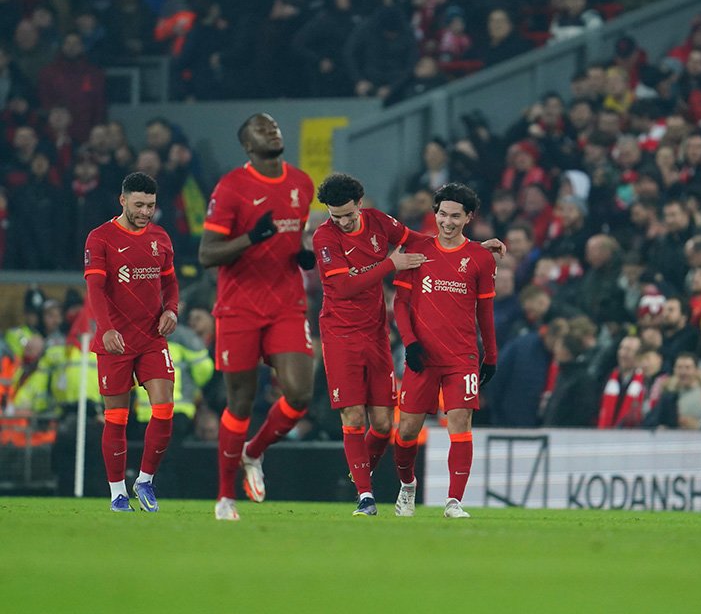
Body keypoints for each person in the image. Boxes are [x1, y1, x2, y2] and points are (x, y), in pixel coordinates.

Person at [199, 113, 316, 522]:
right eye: (260, 128)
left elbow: (294, 236)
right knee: (241, 401)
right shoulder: (232, 187)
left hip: (286, 302)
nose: (271, 130)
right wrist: (252, 238)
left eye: (274, 125)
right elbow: (207, 254)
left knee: (300, 394)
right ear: (248, 145)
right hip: (239, 306)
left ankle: (254, 451)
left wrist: (302, 253)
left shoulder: (302, 182)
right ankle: (224, 496)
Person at [312, 173, 427, 516]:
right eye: (336, 216)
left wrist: (469, 248)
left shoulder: (378, 222)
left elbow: (417, 240)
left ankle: (358, 469)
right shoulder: (323, 237)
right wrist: (391, 263)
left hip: (376, 332)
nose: (343, 222)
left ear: (360, 204)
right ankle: (365, 496)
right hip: (340, 335)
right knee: (352, 415)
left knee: (382, 424)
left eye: (348, 214)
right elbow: (345, 287)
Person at [392, 183, 498, 518]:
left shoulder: (480, 258)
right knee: (407, 430)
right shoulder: (417, 248)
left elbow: (485, 313)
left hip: (461, 357)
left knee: (459, 422)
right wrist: (409, 343)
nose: (447, 221)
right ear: (434, 213)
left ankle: (453, 501)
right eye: (442, 214)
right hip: (422, 356)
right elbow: (400, 305)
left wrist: (491, 356)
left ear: (468, 218)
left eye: (455, 215)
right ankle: (407, 485)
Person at [83, 172, 179, 513]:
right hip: (116, 341)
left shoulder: (161, 238)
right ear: (122, 201)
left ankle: (145, 480)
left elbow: (170, 283)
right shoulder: (101, 238)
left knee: (165, 408)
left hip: (152, 337)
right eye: (139, 204)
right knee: (117, 418)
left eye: (151, 205)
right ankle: (117, 493)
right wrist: (106, 328)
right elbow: (94, 289)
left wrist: (173, 310)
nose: (145, 212)